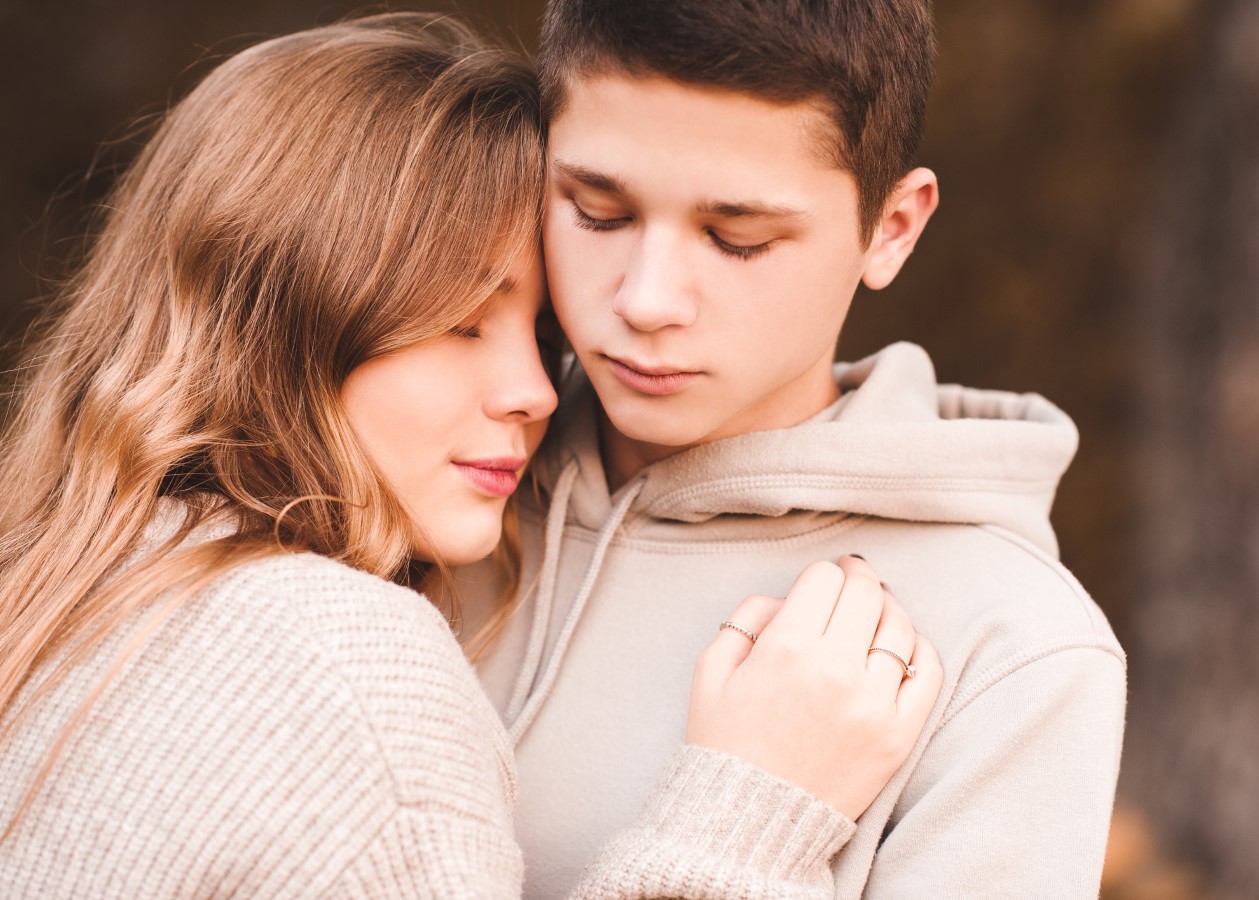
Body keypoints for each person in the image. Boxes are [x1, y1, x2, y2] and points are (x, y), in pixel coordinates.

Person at [0, 13, 943, 897]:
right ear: (279, 317)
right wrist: (743, 819)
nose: (536, 391)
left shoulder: (74, 572)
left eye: (541, 334)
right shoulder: (348, 669)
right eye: (460, 324)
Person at [447, 1, 1128, 896]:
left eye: (738, 239)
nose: (646, 300)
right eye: (597, 212)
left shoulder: (1010, 647)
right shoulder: (412, 483)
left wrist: (747, 817)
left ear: (891, 227)